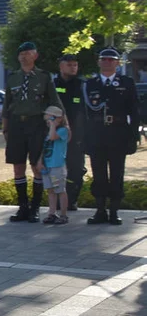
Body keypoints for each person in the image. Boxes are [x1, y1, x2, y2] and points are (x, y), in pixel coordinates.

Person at [4, 41, 61, 222]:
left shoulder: (44, 77)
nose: (24, 56)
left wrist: (59, 125)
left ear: (35, 56)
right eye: (21, 53)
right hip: (16, 126)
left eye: (28, 53)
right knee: (18, 167)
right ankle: (23, 207)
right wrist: (5, 128)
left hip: (37, 125)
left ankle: (35, 208)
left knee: (37, 167)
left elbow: (55, 103)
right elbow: (7, 105)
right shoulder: (12, 77)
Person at [84, 47, 139, 225]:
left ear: (117, 63)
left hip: (118, 134)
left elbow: (134, 111)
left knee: (117, 174)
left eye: (111, 59)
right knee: (99, 175)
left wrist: (133, 136)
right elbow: (84, 114)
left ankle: (114, 211)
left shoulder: (127, 82)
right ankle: (100, 211)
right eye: (104, 59)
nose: (107, 62)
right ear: (99, 62)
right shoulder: (89, 84)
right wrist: (84, 138)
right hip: (97, 134)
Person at [53, 54, 87, 209]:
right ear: (61, 66)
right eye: (69, 65)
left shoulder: (82, 85)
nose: (73, 67)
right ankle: (58, 200)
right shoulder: (53, 85)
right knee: (57, 168)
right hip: (57, 134)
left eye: (75, 65)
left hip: (77, 135)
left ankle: (72, 200)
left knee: (76, 169)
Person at [39, 105, 70, 224]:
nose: (47, 121)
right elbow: (45, 147)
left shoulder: (63, 130)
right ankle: (52, 213)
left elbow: (52, 138)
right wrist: (40, 161)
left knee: (59, 190)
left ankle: (63, 214)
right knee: (50, 190)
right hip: (47, 166)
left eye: (50, 118)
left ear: (58, 119)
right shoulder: (48, 131)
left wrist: (52, 124)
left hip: (57, 166)